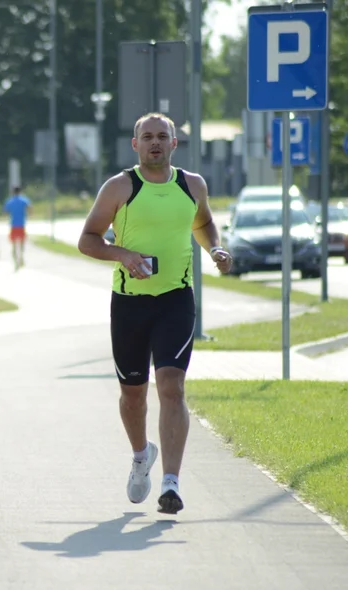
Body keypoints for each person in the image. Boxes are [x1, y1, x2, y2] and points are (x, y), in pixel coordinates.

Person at [77, 112, 233, 515]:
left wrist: (214, 247)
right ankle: (141, 453)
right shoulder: (120, 187)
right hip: (129, 303)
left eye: (162, 136)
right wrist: (122, 254)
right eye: (147, 137)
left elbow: (204, 222)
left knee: (171, 387)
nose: (155, 143)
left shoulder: (192, 185)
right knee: (133, 395)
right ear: (135, 145)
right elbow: (87, 240)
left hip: (175, 300)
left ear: (174, 143)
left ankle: (171, 483)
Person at [3, 185, 32, 269]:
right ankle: (21, 257)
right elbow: (30, 208)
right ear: (20, 192)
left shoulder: (10, 201)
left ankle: (16, 262)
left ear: (12, 192)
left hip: (13, 225)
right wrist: (27, 214)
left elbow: (5, 212)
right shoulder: (24, 200)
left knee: (14, 245)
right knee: (22, 244)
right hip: (22, 225)